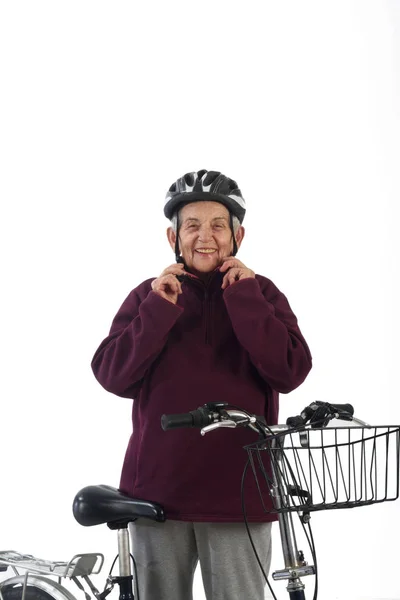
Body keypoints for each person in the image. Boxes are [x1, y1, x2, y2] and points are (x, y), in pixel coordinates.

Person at [91, 169, 312, 600]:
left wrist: (243, 298)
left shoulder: (260, 294)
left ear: (238, 236)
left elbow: (290, 371)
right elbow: (112, 374)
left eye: (217, 225)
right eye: (191, 225)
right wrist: (157, 308)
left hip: (240, 498)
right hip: (157, 495)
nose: (204, 237)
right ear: (172, 237)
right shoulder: (150, 295)